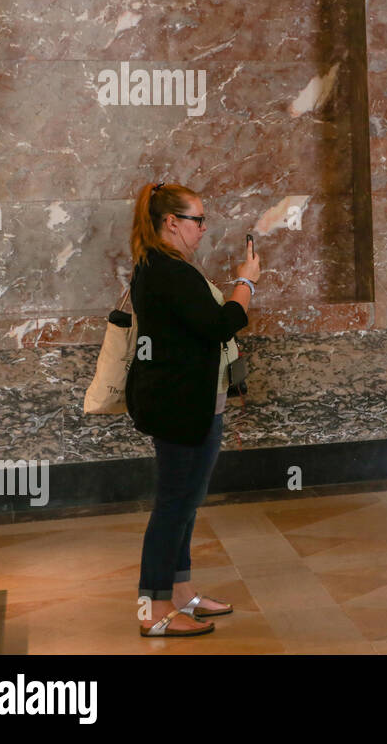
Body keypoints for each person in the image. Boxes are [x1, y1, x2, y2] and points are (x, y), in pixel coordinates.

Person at [126, 181, 260, 637]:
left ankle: (179, 592)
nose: (203, 228)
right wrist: (246, 283)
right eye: (197, 220)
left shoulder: (166, 267)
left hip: (196, 403)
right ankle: (153, 609)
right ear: (171, 222)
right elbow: (221, 325)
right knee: (172, 506)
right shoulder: (167, 271)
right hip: (178, 406)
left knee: (186, 503)